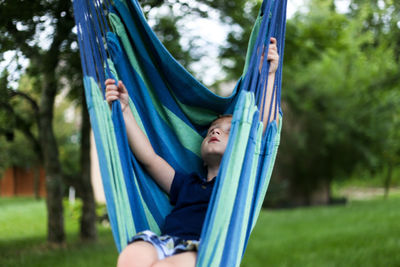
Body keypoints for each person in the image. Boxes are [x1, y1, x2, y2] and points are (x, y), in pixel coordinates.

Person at [105, 37, 279, 267]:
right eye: (212, 130)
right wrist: (125, 111)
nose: (215, 132)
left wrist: (268, 76)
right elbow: (149, 159)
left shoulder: (237, 183)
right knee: (130, 257)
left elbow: (263, 134)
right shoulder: (186, 184)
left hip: (204, 251)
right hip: (163, 242)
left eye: (228, 131)